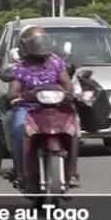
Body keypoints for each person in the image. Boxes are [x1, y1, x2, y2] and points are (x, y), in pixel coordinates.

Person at [5, 25, 79, 190]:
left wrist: (67, 93)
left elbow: (67, 85)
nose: (39, 47)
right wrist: (17, 96)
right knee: (18, 129)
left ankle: (72, 172)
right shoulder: (19, 68)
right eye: (34, 43)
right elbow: (13, 91)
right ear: (24, 46)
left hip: (56, 106)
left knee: (74, 130)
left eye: (41, 42)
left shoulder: (56, 62)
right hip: (28, 108)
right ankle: (20, 172)